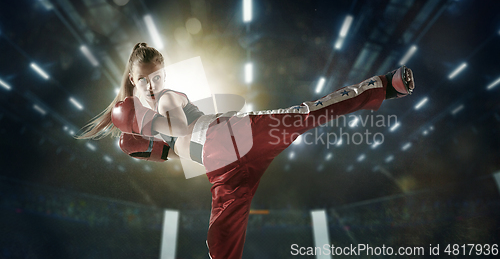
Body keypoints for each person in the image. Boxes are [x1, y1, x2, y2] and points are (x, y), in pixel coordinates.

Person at [77, 42, 414, 259]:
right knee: (220, 242)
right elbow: (183, 148)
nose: (152, 85)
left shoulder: (167, 98)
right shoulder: (147, 113)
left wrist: (148, 128)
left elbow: (179, 128)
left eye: (157, 76)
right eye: (144, 80)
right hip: (223, 171)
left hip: (235, 135)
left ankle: (385, 85)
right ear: (133, 81)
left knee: (308, 113)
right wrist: (158, 151)